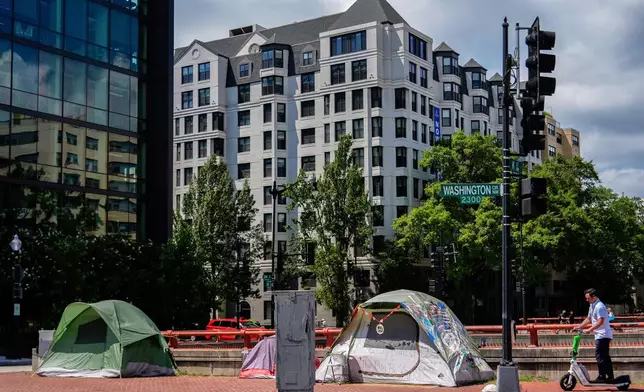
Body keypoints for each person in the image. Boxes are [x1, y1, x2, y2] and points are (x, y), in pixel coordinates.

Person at [576, 288, 614, 382]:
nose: (587, 300)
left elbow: (600, 321)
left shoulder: (600, 306)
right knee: (604, 356)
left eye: (588, 298)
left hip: (603, 335)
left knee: (600, 356)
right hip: (599, 335)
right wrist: (580, 326)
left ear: (593, 297)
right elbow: (589, 318)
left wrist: (589, 329)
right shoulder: (592, 305)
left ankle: (602, 376)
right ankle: (609, 376)